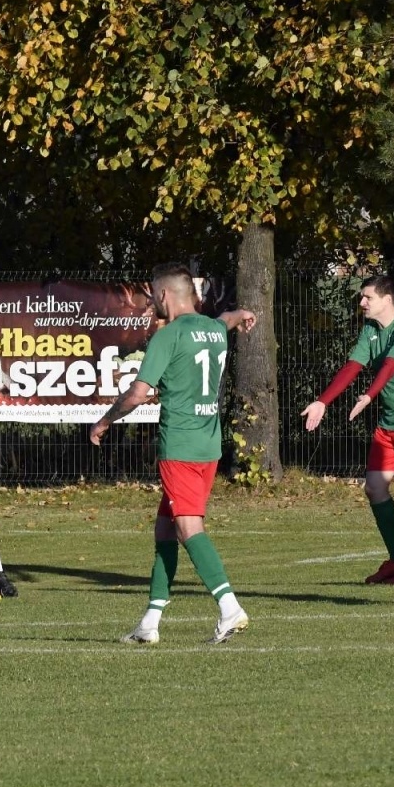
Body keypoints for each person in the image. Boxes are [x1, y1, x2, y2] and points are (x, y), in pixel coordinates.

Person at [90, 263, 257, 645]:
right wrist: (242, 313)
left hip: (179, 446)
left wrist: (104, 422)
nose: (151, 303)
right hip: (208, 445)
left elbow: (136, 393)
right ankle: (150, 623)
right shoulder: (213, 329)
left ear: (164, 296)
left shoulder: (166, 337)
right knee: (165, 528)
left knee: (187, 527)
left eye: (152, 295)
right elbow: (227, 319)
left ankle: (230, 608)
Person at [300, 274, 394, 585]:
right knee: (375, 487)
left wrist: (368, 396)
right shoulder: (370, 329)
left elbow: (390, 366)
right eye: (361, 297)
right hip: (390, 421)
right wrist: (323, 401)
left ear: (386, 300)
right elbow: (353, 366)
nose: (361, 303)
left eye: (368, 298)